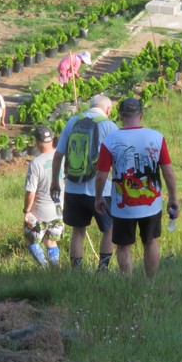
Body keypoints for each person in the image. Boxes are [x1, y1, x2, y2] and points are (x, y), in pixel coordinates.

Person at [94, 97, 179, 279]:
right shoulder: (157, 138)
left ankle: (128, 283)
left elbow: (101, 175)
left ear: (120, 115)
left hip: (123, 205)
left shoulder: (110, 140)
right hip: (151, 204)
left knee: (123, 245)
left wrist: (98, 197)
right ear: (140, 115)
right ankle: (150, 282)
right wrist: (173, 198)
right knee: (151, 241)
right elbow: (168, 173)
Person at [50, 94, 119, 270]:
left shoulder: (73, 121)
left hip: (73, 187)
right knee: (109, 228)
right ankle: (102, 268)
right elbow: (117, 159)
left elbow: (58, 155)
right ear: (108, 110)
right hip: (100, 190)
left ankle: (76, 269)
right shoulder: (109, 126)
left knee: (78, 230)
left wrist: (55, 182)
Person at [23, 125, 64, 268]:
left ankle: (44, 268)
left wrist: (27, 211)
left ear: (37, 142)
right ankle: (55, 268)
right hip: (59, 210)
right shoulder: (62, 157)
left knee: (31, 240)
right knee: (51, 241)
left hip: (40, 211)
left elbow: (31, 191)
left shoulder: (36, 163)